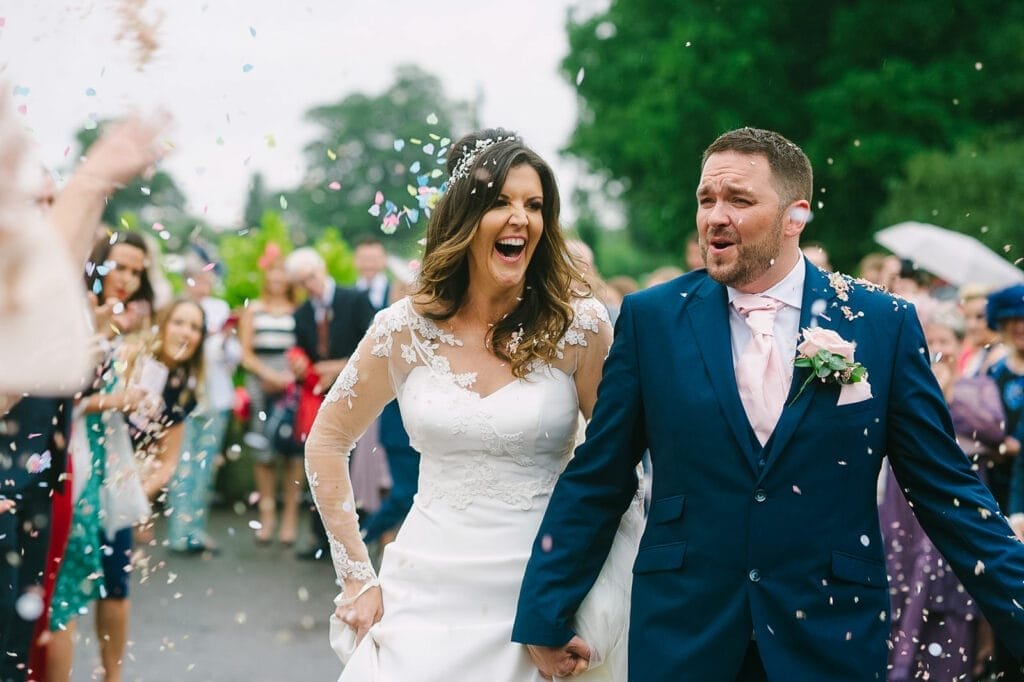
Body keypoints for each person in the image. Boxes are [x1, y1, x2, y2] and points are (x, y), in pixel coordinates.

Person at [513, 127, 1024, 681]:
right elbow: (600, 475)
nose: (714, 216)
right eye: (706, 200)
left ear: (795, 217)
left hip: (829, 634)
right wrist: (546, 610)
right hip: (687, 632)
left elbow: (946, 488)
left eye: (738, 200)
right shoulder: (652, 319)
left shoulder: (881, 324)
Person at [305, 129, 639, 681]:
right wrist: (357, 576)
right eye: (501, 202)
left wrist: (590, 601)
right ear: (463, 217)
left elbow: (615, 465)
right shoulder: (403, 329)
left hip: (540, 590)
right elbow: (327, 441)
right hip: (424, 590)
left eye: (534, 206)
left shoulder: (579, 327)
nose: (521, 219)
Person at [1, 108, 165, 682]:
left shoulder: (69, 312)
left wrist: (93, 182)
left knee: (33, 627)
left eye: (53, 202)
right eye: (37, 203)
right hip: (40, 480)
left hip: (48, 487)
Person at [47, 297, 204, 682]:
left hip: (119, 495)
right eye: (180, 322)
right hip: (82, 475)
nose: (186, 332)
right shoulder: (128, 357)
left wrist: (136, 493)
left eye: (196, 328)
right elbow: (77, 401)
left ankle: (112, 676)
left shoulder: (181, 391)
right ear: (164, 324)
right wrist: (121, 399)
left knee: (115, 588)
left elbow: (168, 462)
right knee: (66, 588)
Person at [285, 247, 375, 559]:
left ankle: (355, 541)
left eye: (311, 276)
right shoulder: (301, 314)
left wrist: (339, 367)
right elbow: (301, 352)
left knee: (354, 471)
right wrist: (299, 364)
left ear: (322, 269)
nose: (310, 284)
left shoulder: (355, 299)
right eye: (302, 281)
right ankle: (321, 540)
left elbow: (377, 346)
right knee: (320, 465)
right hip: (319, 400)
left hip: (359, 397)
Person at [165, 254, 240, 553]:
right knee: (180, 466)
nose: (203, 285)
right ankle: (177, 532)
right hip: (185, 398)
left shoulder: (220, 308)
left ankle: (196, 531)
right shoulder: (177, 308)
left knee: (205, 467)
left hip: (216, 397)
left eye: (208, 279)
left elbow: (233, 356)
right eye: (198, 279)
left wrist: (223, 340)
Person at [238, 244, 299, 545]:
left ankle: (289, 519)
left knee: (291, 452)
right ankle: (267, 517)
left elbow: (304, 349)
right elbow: (245, 354)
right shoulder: (254, 309)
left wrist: (288, 377)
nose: (277, 279)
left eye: (282, 274)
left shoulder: (297, 310)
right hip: (261, 381)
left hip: (291, 384)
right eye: (273, 273)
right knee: (263, 451)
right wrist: (268, 375)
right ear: (266, 277)